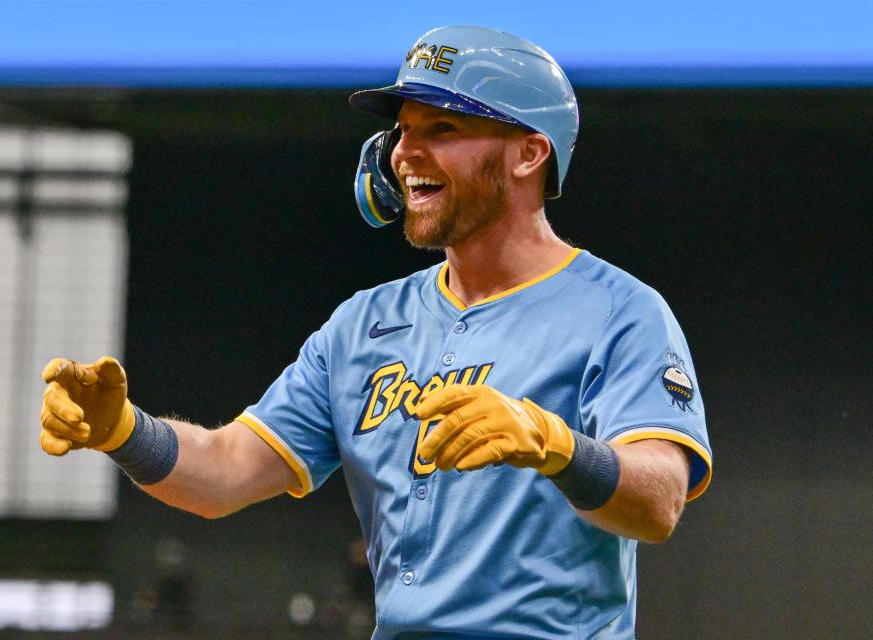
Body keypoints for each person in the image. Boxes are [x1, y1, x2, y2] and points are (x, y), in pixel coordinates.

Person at [39, 25, 712, 639]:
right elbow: (223, 473)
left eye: (442, 130)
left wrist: (556, 445)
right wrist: (123, 431)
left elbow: (659, 502)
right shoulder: (363, 324)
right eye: (403, 130)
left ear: (528, 154)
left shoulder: (620, 311)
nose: (403, 152)